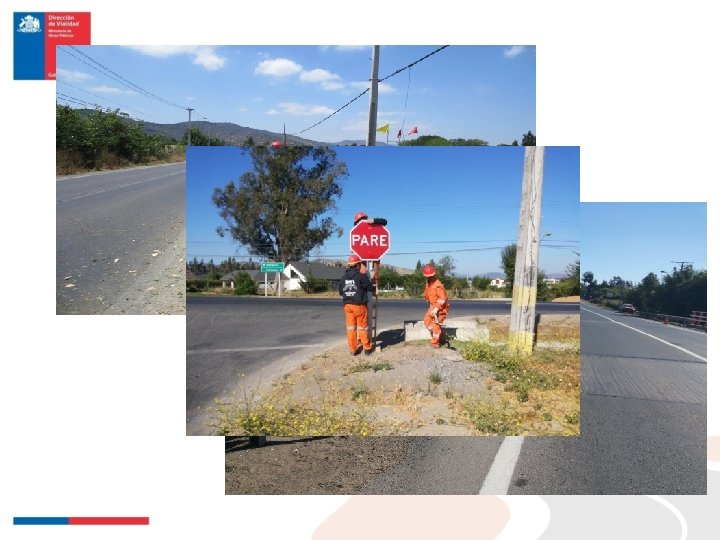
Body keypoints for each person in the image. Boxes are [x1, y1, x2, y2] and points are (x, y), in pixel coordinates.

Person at [339, 254, 377, 356]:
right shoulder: (361, 276)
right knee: (362, 328)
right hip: (359, 306)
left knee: (351, 328)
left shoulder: (343, 278)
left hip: (347, 306)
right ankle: (367, 349)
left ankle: (353, 350)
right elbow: (370, 288)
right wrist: (372, 279)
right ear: (357, 265)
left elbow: (341, 292)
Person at [422, 264, 449, 348]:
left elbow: (442, 299)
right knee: (427, 321)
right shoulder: (429, 283)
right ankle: (441, 336)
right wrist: (427, 299)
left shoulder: (438, 286)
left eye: (430, 276)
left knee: (436, 325)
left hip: (440, 309)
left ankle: (435, 343)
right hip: (432, 307)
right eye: (427, 276)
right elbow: (427, 292)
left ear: (434, 275)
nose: (428, 278)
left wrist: (436, 308)